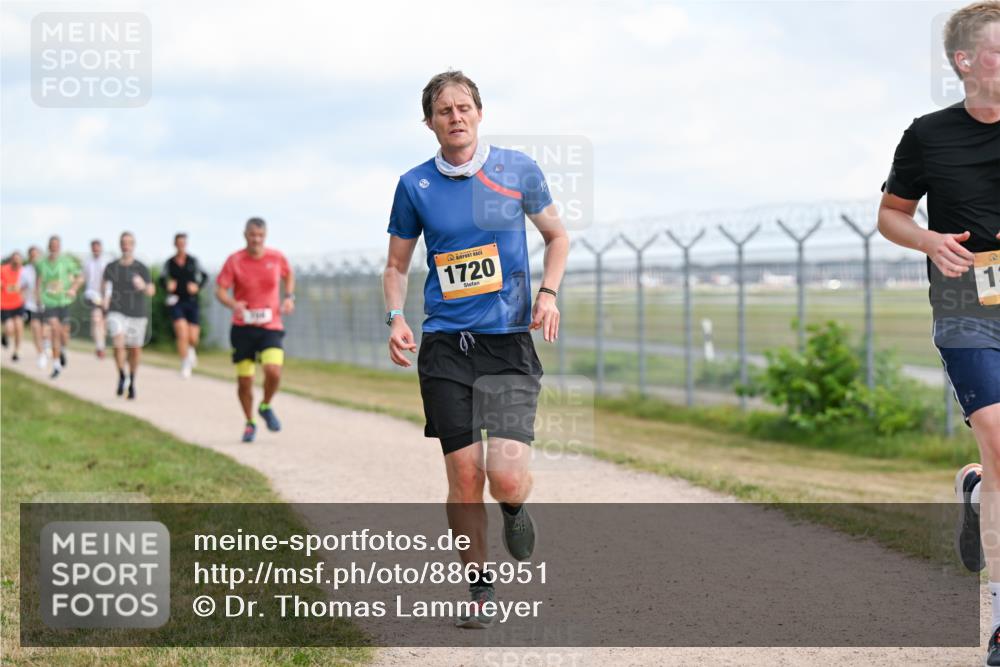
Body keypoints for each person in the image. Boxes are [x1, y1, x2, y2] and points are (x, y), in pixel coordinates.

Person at [382, 70, 568, 628]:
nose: (456, 117)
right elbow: (395, 266)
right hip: (445, 348)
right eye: (444, 110)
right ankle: (480, 588)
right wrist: (396, 317)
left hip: (508, 345)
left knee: (504, 476)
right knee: (464, 474)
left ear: (480, 113)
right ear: (430, 122)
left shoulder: (517, 170)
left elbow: (556, 236)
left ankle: (514, 507)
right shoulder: (413, 185)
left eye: (464, 107)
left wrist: (549, 293)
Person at [877, 2, 1000, 663]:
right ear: (966, 62)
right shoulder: (928, 135)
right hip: (966, 304)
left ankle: (979, 488)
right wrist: (927, 239)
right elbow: (891, 214)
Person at [215, 218, 295, 443]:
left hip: (270, 326)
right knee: (245, 381)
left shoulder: (276, 257)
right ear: (245, 235)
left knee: (273, 371)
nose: (256, 239)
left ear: (265, 235)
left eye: (260, 235)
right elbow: (220, 290)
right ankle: (250, 422)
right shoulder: (235, 260)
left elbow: (289, 275)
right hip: (243, 328)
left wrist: (289, 297)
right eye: (252, 235)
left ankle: (265, 405)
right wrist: (233, 304)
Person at [102, 232, 154, 400]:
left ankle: (131, 380)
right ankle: (122, 375)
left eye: (129, 243)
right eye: (123, 242)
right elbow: (104, 287)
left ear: (134, 245)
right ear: (120, 244)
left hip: (137, 313)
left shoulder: (141, 268)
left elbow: (152, 291)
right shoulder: (111, 267)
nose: (126, 245)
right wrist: (104, 300)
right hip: (116, 310)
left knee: (135, 350)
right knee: (118, 342)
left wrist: (143, 286)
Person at [160, 232, 208, 378]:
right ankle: (185, 364)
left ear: (185, 244)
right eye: (178, 243)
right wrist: (167, 285)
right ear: (175, 244)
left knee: (193, 337)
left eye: (183, 243)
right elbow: (161, 279)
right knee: (182, 333)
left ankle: (191, 349)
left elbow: (205, 276)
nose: (181, 246)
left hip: (192, 301)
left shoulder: (193, 261)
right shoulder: (169, 262)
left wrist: (197, 286)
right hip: (176, 301)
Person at [34, 235, 82, 379]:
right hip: (49, 301)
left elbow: (80, 277)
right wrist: (38, 297)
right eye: (52, 245)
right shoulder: (41, 263)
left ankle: (63, 350)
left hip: (64, 301)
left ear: (59, 247)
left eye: (57, 245)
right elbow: (39, 280)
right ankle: (56, 365)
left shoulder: (67, 262)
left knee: (64, 333)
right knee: (55, 329)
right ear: (49, 247)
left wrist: (73, 288)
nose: (54, 247)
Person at [19, 246, 48, 369]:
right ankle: (41, 354)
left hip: (47, 304)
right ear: (29, 257)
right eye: (32, 255)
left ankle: (47, 345)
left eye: (37, 255)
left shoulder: (48, 269)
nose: (35, 258)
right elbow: (20, 287)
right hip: (31, 305)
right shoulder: (25, 271)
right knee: (35, 328)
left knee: (45, 331)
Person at [82, 239, 108, 359]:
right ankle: (100, 347)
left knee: (102, 324)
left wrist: (106, 298)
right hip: (92, 296)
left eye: (98, 247)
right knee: (97, 318)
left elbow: (110, 281)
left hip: (107, 296)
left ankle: (100, 345)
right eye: (94, 247)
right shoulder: (87, 263)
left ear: (101, 248)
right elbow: (84, 279)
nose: (96, 249)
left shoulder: (107, 262)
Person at [1, 251, 25, 361]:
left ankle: (17, 352)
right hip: (5, 304)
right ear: (11, 260)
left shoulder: (23, 272)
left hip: (19, 304)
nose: (16, 262)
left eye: (18, 260)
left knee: (19, 326)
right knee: (10, 328)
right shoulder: (3, 269)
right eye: (14, 260)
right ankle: (5, 336)